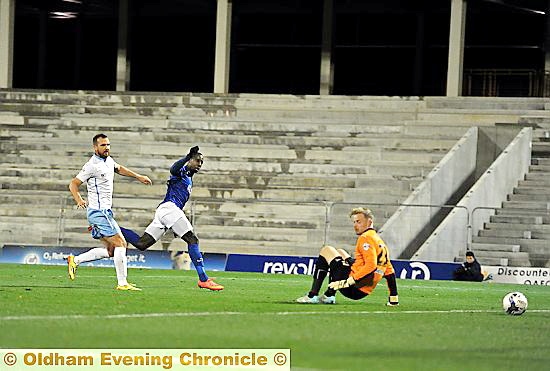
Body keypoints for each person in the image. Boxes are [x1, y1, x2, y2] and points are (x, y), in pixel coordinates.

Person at [119, 146, 224, 291]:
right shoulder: (181, 172)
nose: (200, 164)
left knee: (141, 244)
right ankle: (203, 279)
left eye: (202, 162)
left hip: (165, 211)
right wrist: (187, 157)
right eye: (197, 160)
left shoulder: (188, 178)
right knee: (192, 240)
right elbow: (173, 169)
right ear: (190, 160)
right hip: (169, 209)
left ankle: (111, 227)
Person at [67, 133, 152, 291]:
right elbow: (73, 183)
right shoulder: (91, 165)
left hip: (105, 212)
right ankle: (122, 283)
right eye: (103, 145)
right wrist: (79, 200)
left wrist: (138, 176)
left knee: (111, 251)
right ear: (95, 147)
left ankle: (75, 260)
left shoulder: (108, 161)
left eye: (108, 145)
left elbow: (119, 168)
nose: (107, 148)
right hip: (98, 212)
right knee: (121, 243)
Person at [296, 207, 399, 305]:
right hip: (363, 291)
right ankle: (328, 296)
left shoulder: (365, 238)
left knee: (326, 250)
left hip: (352, 287)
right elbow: (390, 272)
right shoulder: (379, 241)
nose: (355, 225)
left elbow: (371, 266)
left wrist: (348, 282)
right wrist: (393, 298)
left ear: (369, 222)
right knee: (340, 251)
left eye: (359, 222)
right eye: (354, 222)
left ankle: (312, 296)